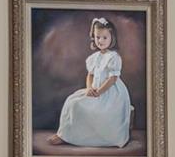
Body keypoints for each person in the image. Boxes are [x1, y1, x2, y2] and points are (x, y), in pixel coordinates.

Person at [55, 16, 132, 147]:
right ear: (93, 37)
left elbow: (112, 78)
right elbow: (90, 75)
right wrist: (89, 88)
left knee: (83, 107)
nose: (100, 41)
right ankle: (65, 134)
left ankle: (88, 136)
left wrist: (100, 92)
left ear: (112, 38)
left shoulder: (113, 57)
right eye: (97, 37)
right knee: (72, 102)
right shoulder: (94, 58)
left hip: (109, 92)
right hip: (95, 89)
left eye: (104, 37)